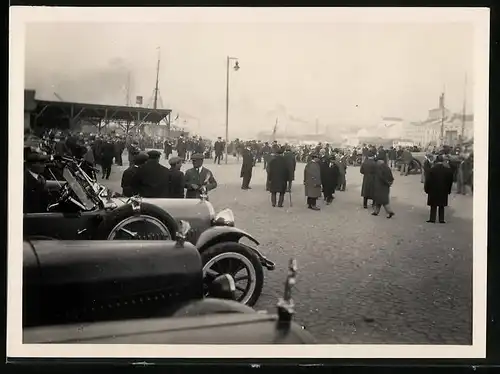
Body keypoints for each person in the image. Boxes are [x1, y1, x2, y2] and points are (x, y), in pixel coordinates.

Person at [424, 155, 454, 223]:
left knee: (433, 205)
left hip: (433, 190)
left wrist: (426, 189)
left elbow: (428, 180)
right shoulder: (447, 170)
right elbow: (450, 181)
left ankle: (432, 218)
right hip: (443, 190)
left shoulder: (432, 170)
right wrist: (449, 190)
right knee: (441, 205)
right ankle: (441, 219)